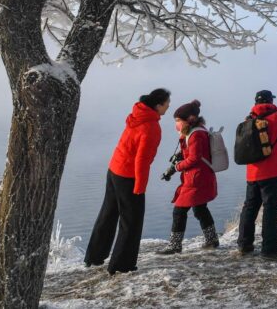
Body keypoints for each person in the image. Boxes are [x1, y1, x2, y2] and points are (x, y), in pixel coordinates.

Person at [85, 88, 170, 275]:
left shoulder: (136, 116)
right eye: (166, 103)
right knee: (131, 222)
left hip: (114, 169)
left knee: (108, 213)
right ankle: (121, 265)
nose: (168, 106)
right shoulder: (151, 126)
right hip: (129, 176)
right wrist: (140, 186)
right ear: (158, 105)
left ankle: (94, 256)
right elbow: (142, 160)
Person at [237, 90, 277, 261]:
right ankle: (269, 249)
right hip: (272, 171)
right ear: (271, 101)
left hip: (252, 172)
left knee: (249, 207)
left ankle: (244, 244)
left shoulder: (249, 118)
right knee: (271, 209)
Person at [157, 100, 219, 254]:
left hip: (196, 179)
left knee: (179, 211)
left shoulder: (196, 134)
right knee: (200, 209)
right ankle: (212, 240)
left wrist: (177, 166)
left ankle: (175, 246)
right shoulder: (195, 131)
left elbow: (194, 158)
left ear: (189, 119)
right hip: (199, 177)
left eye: (178, 120)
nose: (176, 124)